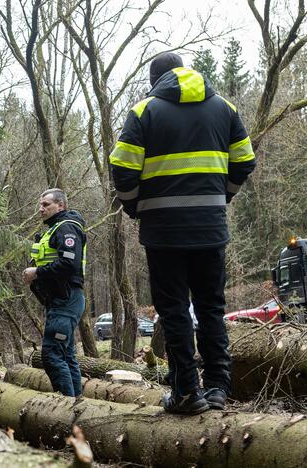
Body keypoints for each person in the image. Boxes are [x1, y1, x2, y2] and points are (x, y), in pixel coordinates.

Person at [110, 52, 256, 414]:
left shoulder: (144, 111)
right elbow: (245, 160)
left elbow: (122, 170)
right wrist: (222, 197)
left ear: (154, 80)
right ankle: (219, 388)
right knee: (211, 308)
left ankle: (188, 393)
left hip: (163, 231)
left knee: (174, 310)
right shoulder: (225, 108)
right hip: (210, 227)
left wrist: (134, 207)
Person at [21, 188, 87, 397]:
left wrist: (37, 272)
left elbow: (69, 264)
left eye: (46, 204)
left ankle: (65, 408)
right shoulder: (54, 228)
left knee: (51, 354)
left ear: (61, 205)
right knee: (66, 355)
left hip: (66, 300)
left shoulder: (67, 228)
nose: (41, 209)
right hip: (58, 301)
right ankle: (76, 406)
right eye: (40, 205)